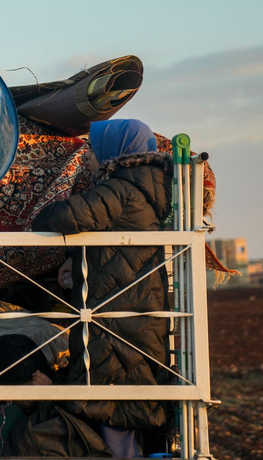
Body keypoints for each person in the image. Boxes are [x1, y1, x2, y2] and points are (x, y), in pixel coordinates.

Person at [31, 119, 172, 436]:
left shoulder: (120, 189)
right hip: (130, 303)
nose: (88, 157)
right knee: (121, 389)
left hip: (119, 311)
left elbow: (63, 216)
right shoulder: (143, 188)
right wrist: (73, 258)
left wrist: (41, 213)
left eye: (94, 149)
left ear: (114, 152)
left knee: (113, 394)